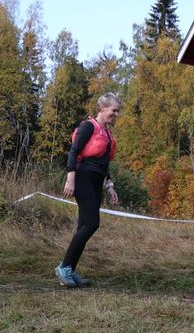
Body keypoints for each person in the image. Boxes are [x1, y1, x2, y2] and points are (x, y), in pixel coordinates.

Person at [55, 93, 122, 288]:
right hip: (82, 177)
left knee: (83, 226)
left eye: (118, 111)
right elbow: (74, 151)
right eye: (113, 110)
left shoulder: (107, 132)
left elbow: (104, 164)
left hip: (96, 181)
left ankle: (69, 271)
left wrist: (110, 186)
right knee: (92, 224)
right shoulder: (88, 126)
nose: (116, 114)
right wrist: (70, 178)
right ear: (102, 108)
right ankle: (64, 267)